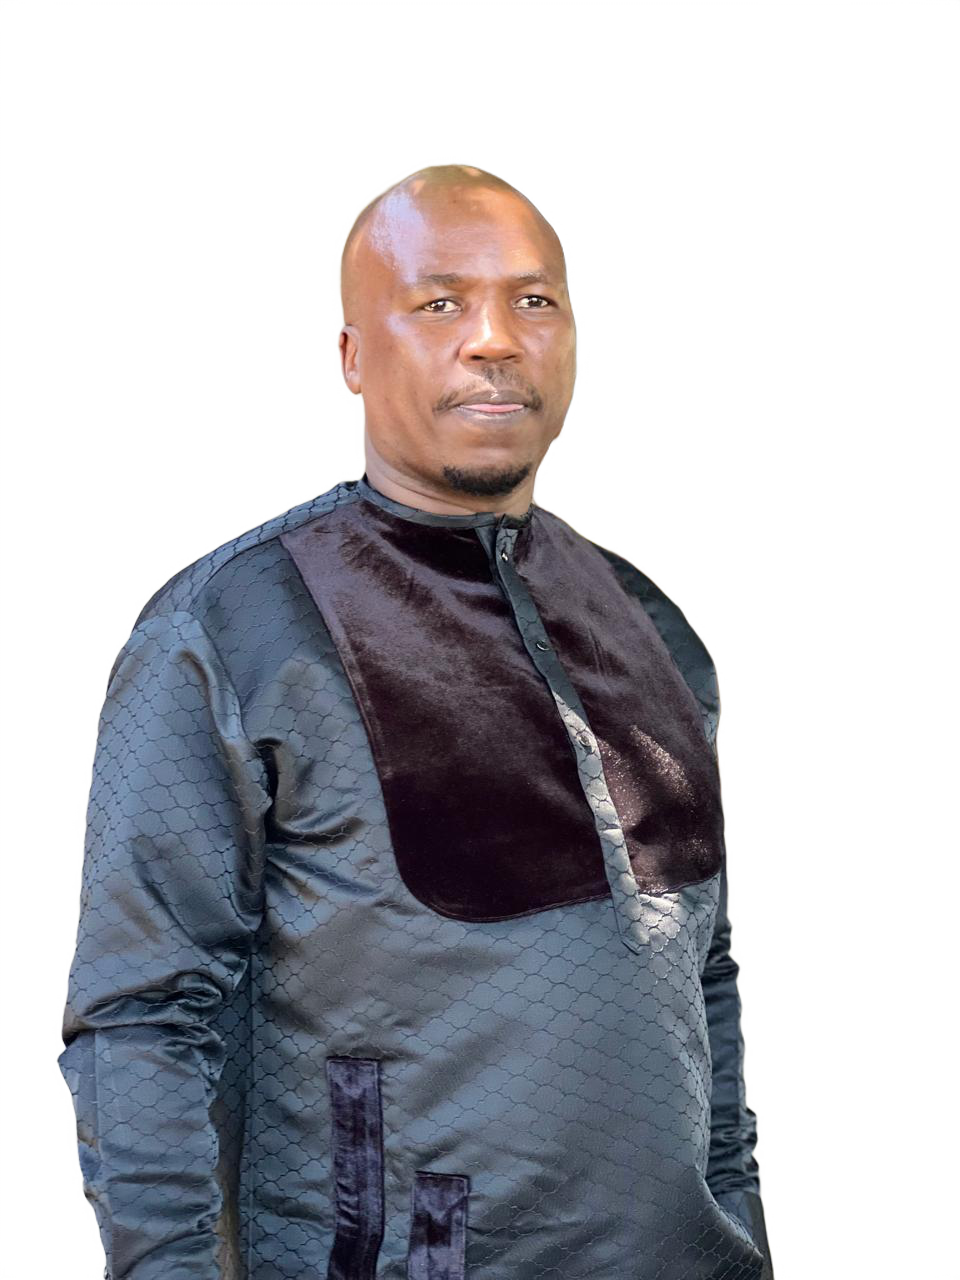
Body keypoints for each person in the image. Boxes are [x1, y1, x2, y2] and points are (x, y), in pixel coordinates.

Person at [60, 163, 773, 1280]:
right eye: (440, 302)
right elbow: (141, 1018)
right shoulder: (238, 627)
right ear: (354, 355)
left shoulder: (649, 625)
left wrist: (745, 1231)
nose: (494, 339)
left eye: (533, 300)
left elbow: (704, 972)